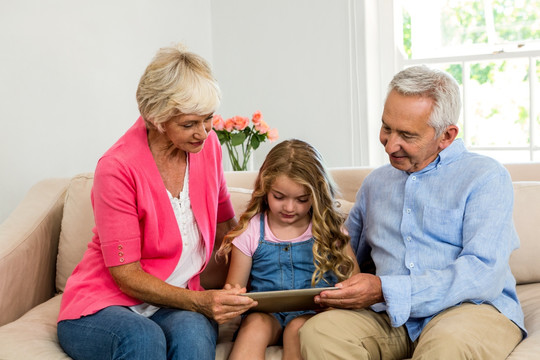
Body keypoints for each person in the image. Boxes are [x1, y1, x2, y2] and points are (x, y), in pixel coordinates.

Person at [299, 65, 527, 359]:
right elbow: (346, 257)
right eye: (386, 128)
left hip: (470, 310)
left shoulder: (485, 177)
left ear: (446, 135)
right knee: (320, 332)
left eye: (406, 134)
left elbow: (483, 274)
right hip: (391, 318)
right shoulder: (375, 184)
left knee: (447, 345)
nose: (390, 145)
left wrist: (386, 289)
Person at [56, 43, 256, 360]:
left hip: (177, 301)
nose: (203, 133)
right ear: (156, 119)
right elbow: (126, 275)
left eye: (208, 120)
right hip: (105, 304)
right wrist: (201, 302)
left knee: (193, 338)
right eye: (189, 124)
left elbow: (226, 229)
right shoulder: (117, 168)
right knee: (143, 339)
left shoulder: (210, 147)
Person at [217, 139, 360, 360]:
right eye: (279, 197)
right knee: (254, 325)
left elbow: (355, 284)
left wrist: (334, 307)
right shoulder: (252, 230)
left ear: (316, 196)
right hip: (266, 316)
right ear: (265, 190)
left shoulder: (330, 231)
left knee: (297, 329)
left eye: (302, 199)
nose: (289, 208)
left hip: (313, 316)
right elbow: (235, 288)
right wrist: (232, 296)